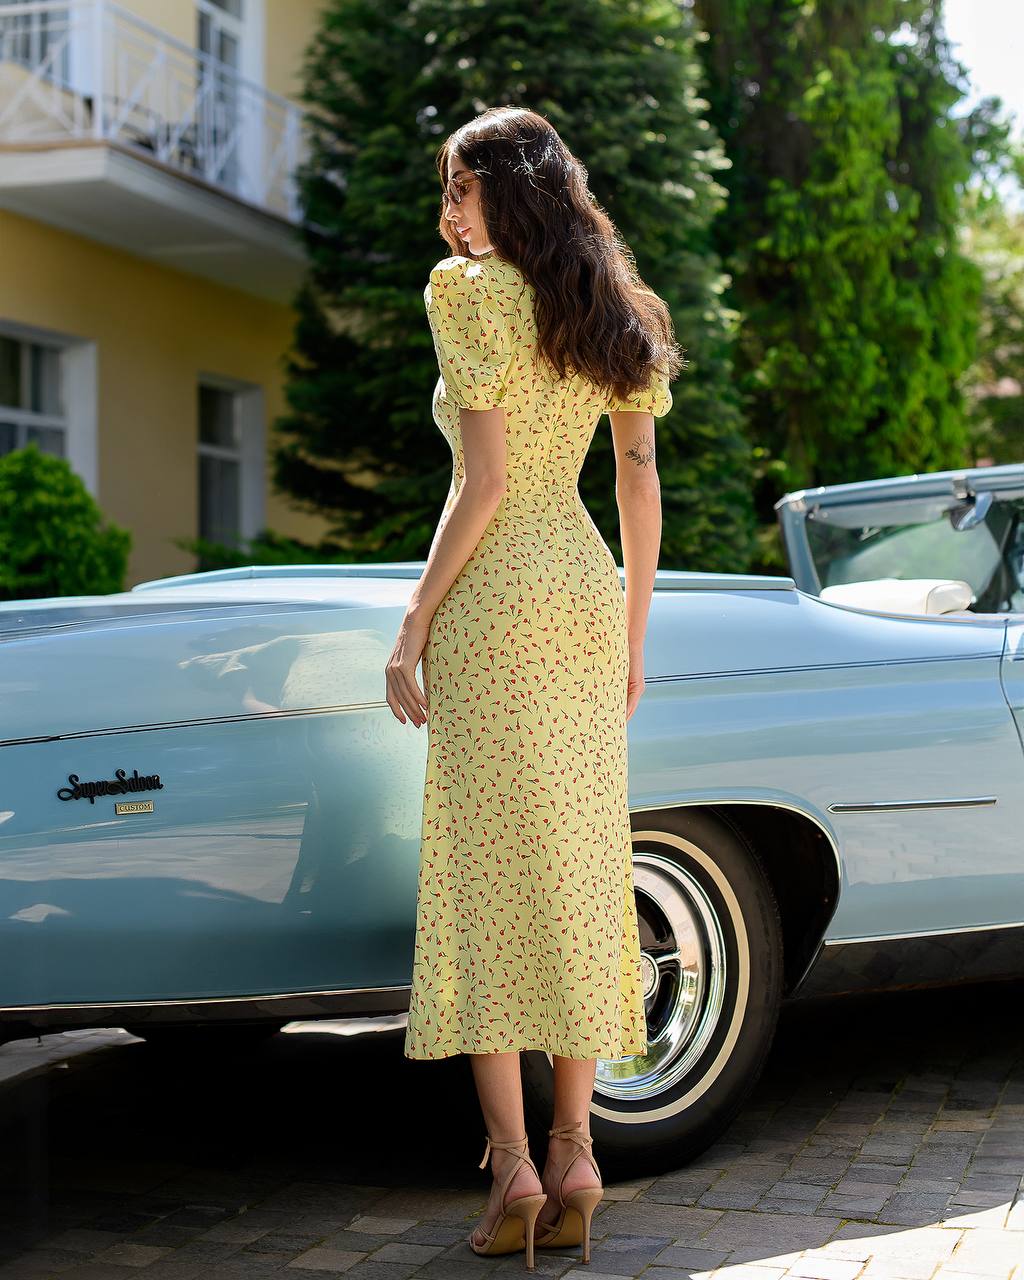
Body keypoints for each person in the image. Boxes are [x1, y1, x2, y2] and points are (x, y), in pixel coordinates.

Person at [385, 105, 684, 1270]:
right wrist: (633, 637)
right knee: (575, 867)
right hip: (584, 597)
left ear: (510, 192)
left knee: (484, 876)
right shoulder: (613, 304)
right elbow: (638, 484)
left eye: (459, 189)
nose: (446, 215)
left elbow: (487, 479)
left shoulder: (465, 294)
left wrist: (413, 620)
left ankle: (511, 1165)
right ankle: (576, 1151)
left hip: (497, 597)